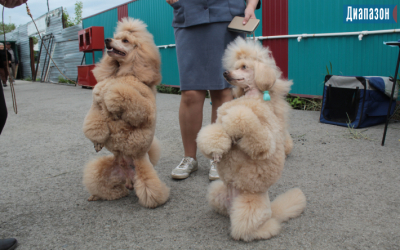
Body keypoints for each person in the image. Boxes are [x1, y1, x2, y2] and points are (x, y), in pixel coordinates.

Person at [167, 0, 259, 180]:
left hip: (227, 13)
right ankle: (189, 157)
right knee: (190, 92)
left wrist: (251, 6)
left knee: (223, 89)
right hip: (189, 13)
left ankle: (218, 156)